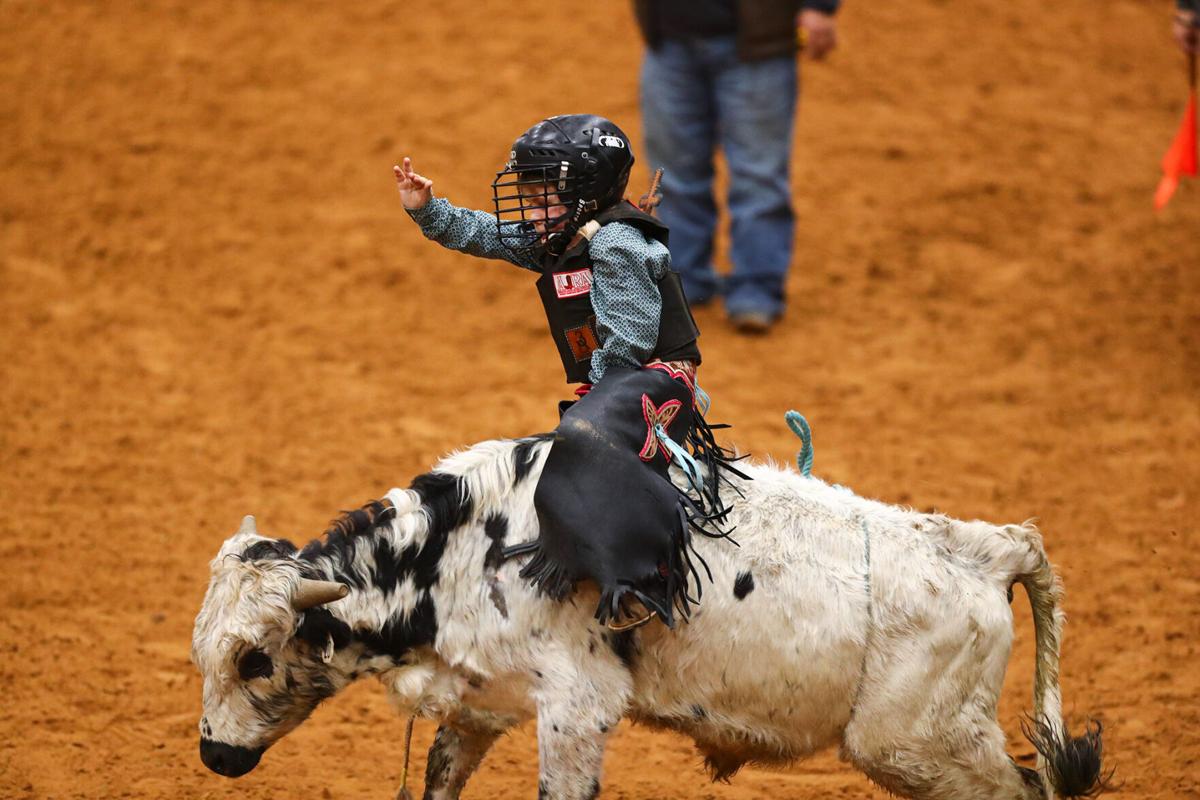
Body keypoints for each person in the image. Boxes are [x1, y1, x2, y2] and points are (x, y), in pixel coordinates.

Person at [394, 114, 737, 630]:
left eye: (540, 198)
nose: (529, 210)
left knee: (584, 443)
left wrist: (600, 389)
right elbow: (489, 235)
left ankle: (644, 581)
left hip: (655, 376)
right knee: (577, 441)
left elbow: (634, 334)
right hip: (622, 377)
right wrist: (428, 211)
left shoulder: (614, 243)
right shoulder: (566, 233)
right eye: (527, 197)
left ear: (586, 192)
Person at [633, 0, 841, 333]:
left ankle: (756, 290)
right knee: (673, 174)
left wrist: (818, 5)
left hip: (757, 43)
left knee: (758, 176)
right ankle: (682, 285)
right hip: (668, 37)